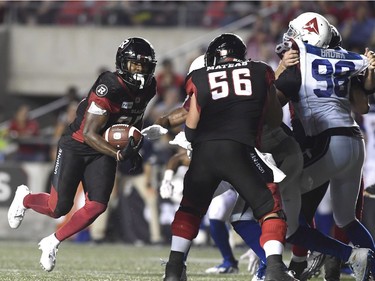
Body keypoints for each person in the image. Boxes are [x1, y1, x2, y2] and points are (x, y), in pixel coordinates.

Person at [7, 37, 158, 272]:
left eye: (144, 66)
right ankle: (25, 199)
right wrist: (118, 154)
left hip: (103, 149)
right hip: (77, 145)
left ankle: (52, 241)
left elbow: (134, 117)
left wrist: (133, 145)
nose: (140, 71)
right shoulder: (109, 85)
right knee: (58, 208)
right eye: (134, 65)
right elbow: (88, 133)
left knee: (97, 205)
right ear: (122, 63)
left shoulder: (150, 87)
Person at [160, 33, 297, 281]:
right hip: (241, 151)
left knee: (190, 209)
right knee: (270, 208)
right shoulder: (260, 71)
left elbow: (190, 129)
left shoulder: (199, 76)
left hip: (204, 154)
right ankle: (276, 268)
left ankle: (174, 267)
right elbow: (274, 120)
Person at [275, 12, 375, 280]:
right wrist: (369, 71)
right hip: (354, 142)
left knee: (286, 216)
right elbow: (363, 104)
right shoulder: (343, 59)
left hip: (325, 141)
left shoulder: (300, 61)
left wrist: (280, 69)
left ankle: (329, 254)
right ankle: (370, 268)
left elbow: (270, 105)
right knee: (347, 219)